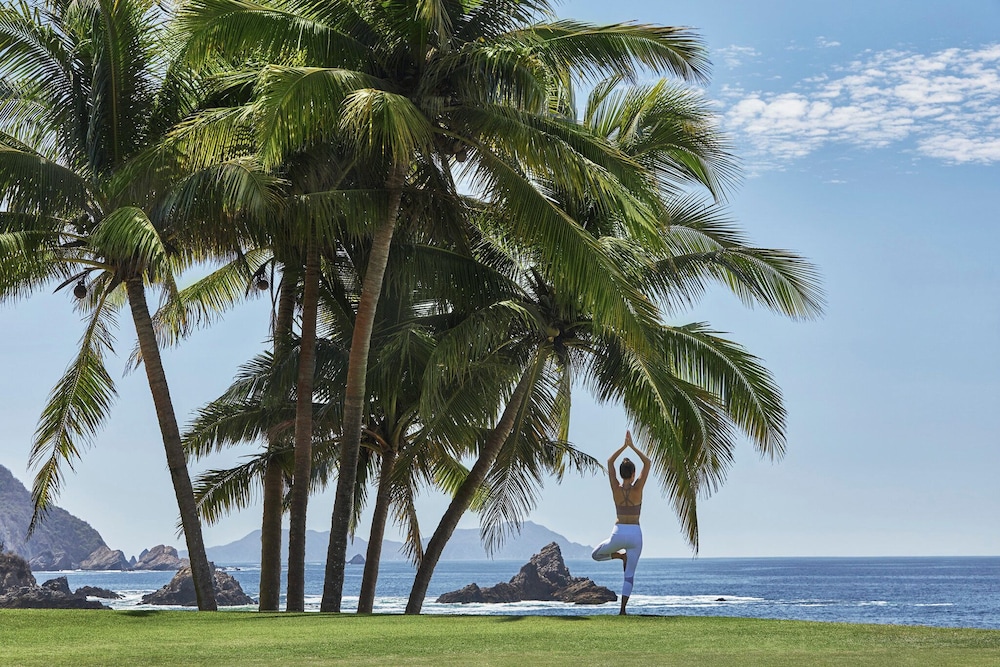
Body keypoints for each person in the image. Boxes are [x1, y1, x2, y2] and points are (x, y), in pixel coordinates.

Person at [592, 430, 651, 615]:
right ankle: (623, 610)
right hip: (635, 534)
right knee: (629, 575)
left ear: (621, 473)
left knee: (596, 555)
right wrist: (632, 447)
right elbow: (648, 463)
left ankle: (620, 556)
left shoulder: (615, 488)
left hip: (618, 533)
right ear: (633, 474)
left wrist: (623, 447)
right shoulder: (638, 488)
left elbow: (610, 462)